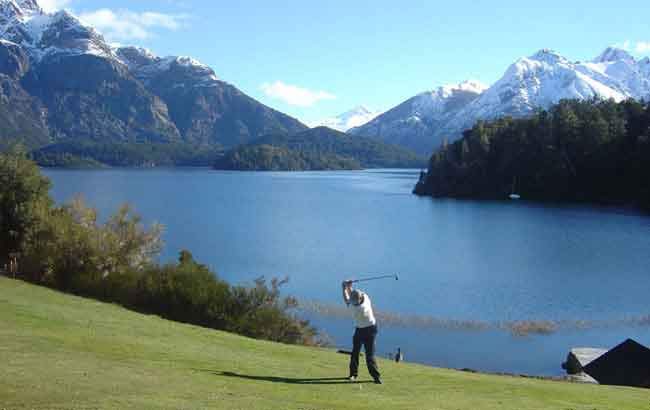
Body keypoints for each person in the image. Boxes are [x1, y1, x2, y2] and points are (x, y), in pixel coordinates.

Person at [342, 280, 382, 384]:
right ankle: (355, 375)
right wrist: (350, 286)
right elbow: (352, 295)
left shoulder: (357, 308)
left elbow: (347, 299)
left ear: (358, 300)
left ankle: (373, 376)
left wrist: (344, 287)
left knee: (368, 355)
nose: (353, 302)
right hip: (367, 328)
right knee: (358, 353)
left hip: (366, 330)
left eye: (354, 301)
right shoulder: (366, 298)